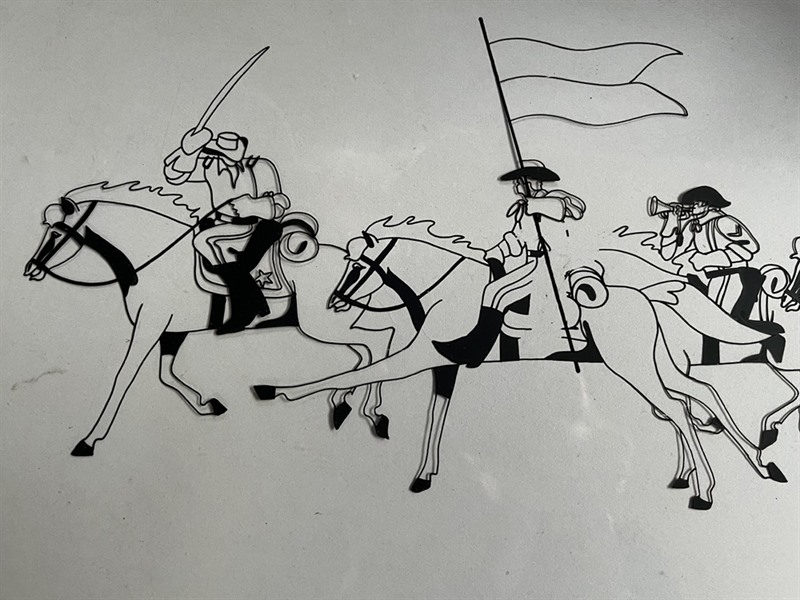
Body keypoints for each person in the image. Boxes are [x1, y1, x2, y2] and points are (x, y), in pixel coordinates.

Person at [164, 127, 290, 334]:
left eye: (224, 154)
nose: (220, 158)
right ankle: (254, 301)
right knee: (208, 245)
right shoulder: (211, 164)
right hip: (222, 224)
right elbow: (174, 174)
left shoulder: (259, 167)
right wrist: (188, 151)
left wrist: (255, 206)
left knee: (202, 241)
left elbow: (282, 202)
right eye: (217, 153)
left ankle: (247, 306)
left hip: (251, 226)